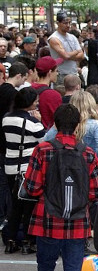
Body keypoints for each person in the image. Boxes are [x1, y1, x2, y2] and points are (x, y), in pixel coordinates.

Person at [26, 104, 98, 271]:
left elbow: (32, 187)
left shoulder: (43, 150)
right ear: (79, 125)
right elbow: (96, 192)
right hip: (78, 222)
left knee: (45, 269)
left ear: (55, 125)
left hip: (47, 220)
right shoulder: (88, 154)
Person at [2, 88, 46, 254]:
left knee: (15, 206)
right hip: (27, 168)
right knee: (28, 206)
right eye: (35, 101)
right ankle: (27, 242)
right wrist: (40, 121)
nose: (37, 104)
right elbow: (44, 139)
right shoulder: (32, 122)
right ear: (29, 103)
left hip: (10, 167)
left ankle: (11, 241)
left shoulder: (6, 118)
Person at [48, 12, 84, 83]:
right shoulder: (54, 38)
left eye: (69, 23)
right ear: (58, 23)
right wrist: (77, 51)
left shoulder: (72, 37)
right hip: (61, 74)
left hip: (74, 73)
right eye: (65, 23)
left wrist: (68, 56)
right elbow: (66, 55)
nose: (68, 25)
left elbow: (82, 56)